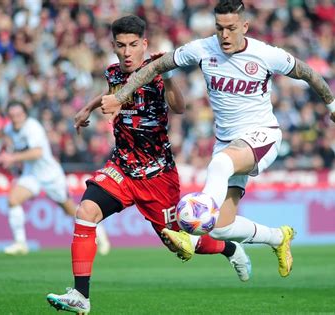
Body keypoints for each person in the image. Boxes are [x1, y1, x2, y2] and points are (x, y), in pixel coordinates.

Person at [101, 0, 335, 281]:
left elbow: (307, 73)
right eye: (219, 28)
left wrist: (334, 107)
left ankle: (191, 228)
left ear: (244, 26)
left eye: (231, 28)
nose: (225, 35)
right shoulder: (202, 49)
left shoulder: (265, 54)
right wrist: (120, 97)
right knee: (220, 227)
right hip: (228, 143)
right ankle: (278, 237)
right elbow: (156, 67)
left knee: (219, 164)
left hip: (262, 135)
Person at [46, 15, 251, 315]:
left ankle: (231, 248)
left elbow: (179, 107)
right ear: (114, 46)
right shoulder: (114, 72)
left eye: (132, 45)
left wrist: (167, 74)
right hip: (122, 168)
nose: (127, 52)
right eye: (120, 46)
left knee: (183, 246)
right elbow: (110, 91)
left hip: (157, 177)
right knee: (86, 211)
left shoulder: (157, 73)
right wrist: (86, 108)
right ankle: (80, 295)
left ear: (144, 44)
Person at [0, 101, 110, 256]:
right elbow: (7, 140)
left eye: (19, 114)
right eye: (12, 115)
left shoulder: (32, 127)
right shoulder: (10, 129)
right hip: (32, 174)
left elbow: (37, 153)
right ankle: (20, 243)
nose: (16, 118)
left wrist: (12, 157)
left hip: (50, 175)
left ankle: (100, 234)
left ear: (24, 114)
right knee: (13, 200)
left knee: (71, 210)